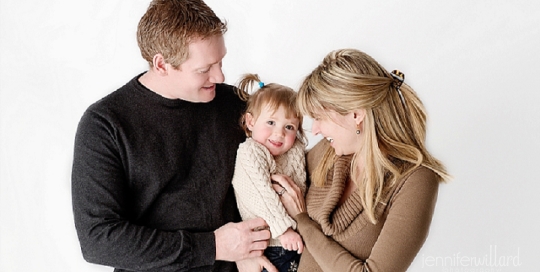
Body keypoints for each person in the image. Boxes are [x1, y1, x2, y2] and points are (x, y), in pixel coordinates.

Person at [71, 1, 276, 271]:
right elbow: (99, 239)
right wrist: (213, 246)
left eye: (220, 61)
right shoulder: (105, 124)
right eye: (204, 69)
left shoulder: (236, 105)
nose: (220, 75)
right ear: (162, 64)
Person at [270, 48, 451, 272]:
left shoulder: (415, 181)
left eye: (319, 118)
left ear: (356, 115)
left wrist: (303, 221)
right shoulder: (329, 152)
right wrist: (245, 255)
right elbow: (262, 181)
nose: (314, 130)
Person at [231, 74, 307, 272]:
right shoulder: (250, 152)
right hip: (269, 245)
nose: (279, 133)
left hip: (295, 242)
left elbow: (302, 191)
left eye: (289, 127)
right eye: (271, 123)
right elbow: (262, 194)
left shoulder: (294, 151)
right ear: (251, 122)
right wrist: (284, 230)